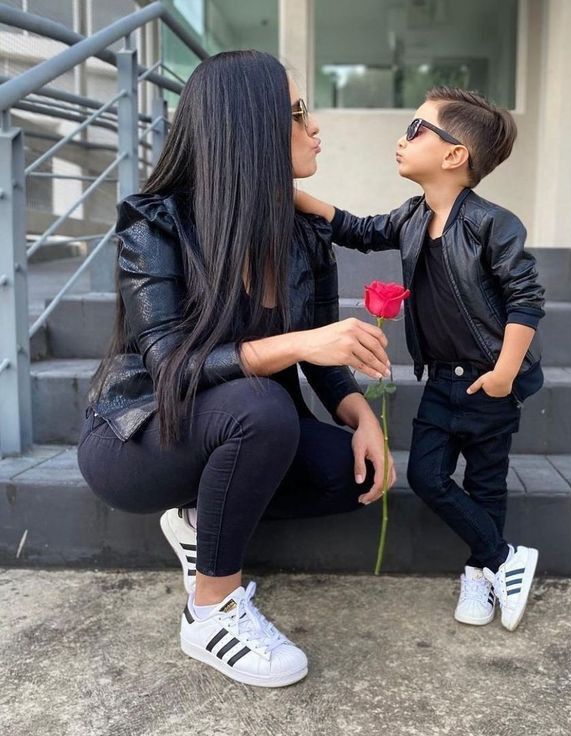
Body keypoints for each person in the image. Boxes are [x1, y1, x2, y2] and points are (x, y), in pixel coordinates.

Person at [77, 50, 397, 688]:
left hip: (242, 424)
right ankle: (210, 611)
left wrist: (364, 419)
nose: (315, 131)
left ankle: (198, 520)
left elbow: (325, 365)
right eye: (299, 114)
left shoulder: (302, 234)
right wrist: (301, 343)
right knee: (261, 407)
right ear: (251, 128)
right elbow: (168, 361)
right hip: (140, 437)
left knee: (350, 474)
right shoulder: (156, 224)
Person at [294, 86, 545, 632]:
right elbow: (358, 230)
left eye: (416, 129)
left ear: (454, 155)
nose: (402, 139)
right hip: (440, 382)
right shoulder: (411, 217)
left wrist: (504, 374)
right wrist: (292, 195)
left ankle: (480, 574)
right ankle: (505, 558)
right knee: (429, 477)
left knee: (486, 482)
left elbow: (526, 298)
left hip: (488, 381)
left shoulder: (491, 223)